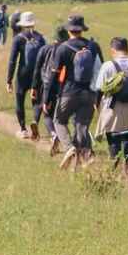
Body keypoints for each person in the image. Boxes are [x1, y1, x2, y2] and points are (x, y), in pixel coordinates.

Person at [43, 14, 104, 168]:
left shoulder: (63, 48)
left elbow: (54, 75)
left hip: (68, 92)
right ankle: (87, 156)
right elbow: (100, 72)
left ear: (68, 30)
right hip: (89, 93)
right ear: (82, 29)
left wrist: (48, 99)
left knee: (59, 120)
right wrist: (98, 98)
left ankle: (69, 147)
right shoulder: (94, 46)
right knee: (82, 126)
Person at [92, 37, 128, 181]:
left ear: (113, 51)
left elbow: (99, 88)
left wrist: (97, 104)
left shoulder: (108, 65)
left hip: (113, 108)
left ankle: (112, 173)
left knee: (114, 140)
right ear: (127, 49)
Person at [6, 12, 46, 140]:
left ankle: (23, 129)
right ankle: (35, 121)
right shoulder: (41, 38)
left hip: (23, 73)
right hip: (38, 74)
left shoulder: (18, 38)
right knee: (37, 101)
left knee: (20, 101)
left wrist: (9, 79)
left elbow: (12, 60)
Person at [34, 24, 69, 154]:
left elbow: (37, 69)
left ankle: (53, 134)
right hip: (65, 86)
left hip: (47, 85)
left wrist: (34, 86)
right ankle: (63, 138)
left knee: (47, 113)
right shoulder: (68, 49)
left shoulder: (45, 49)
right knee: (59, 115)